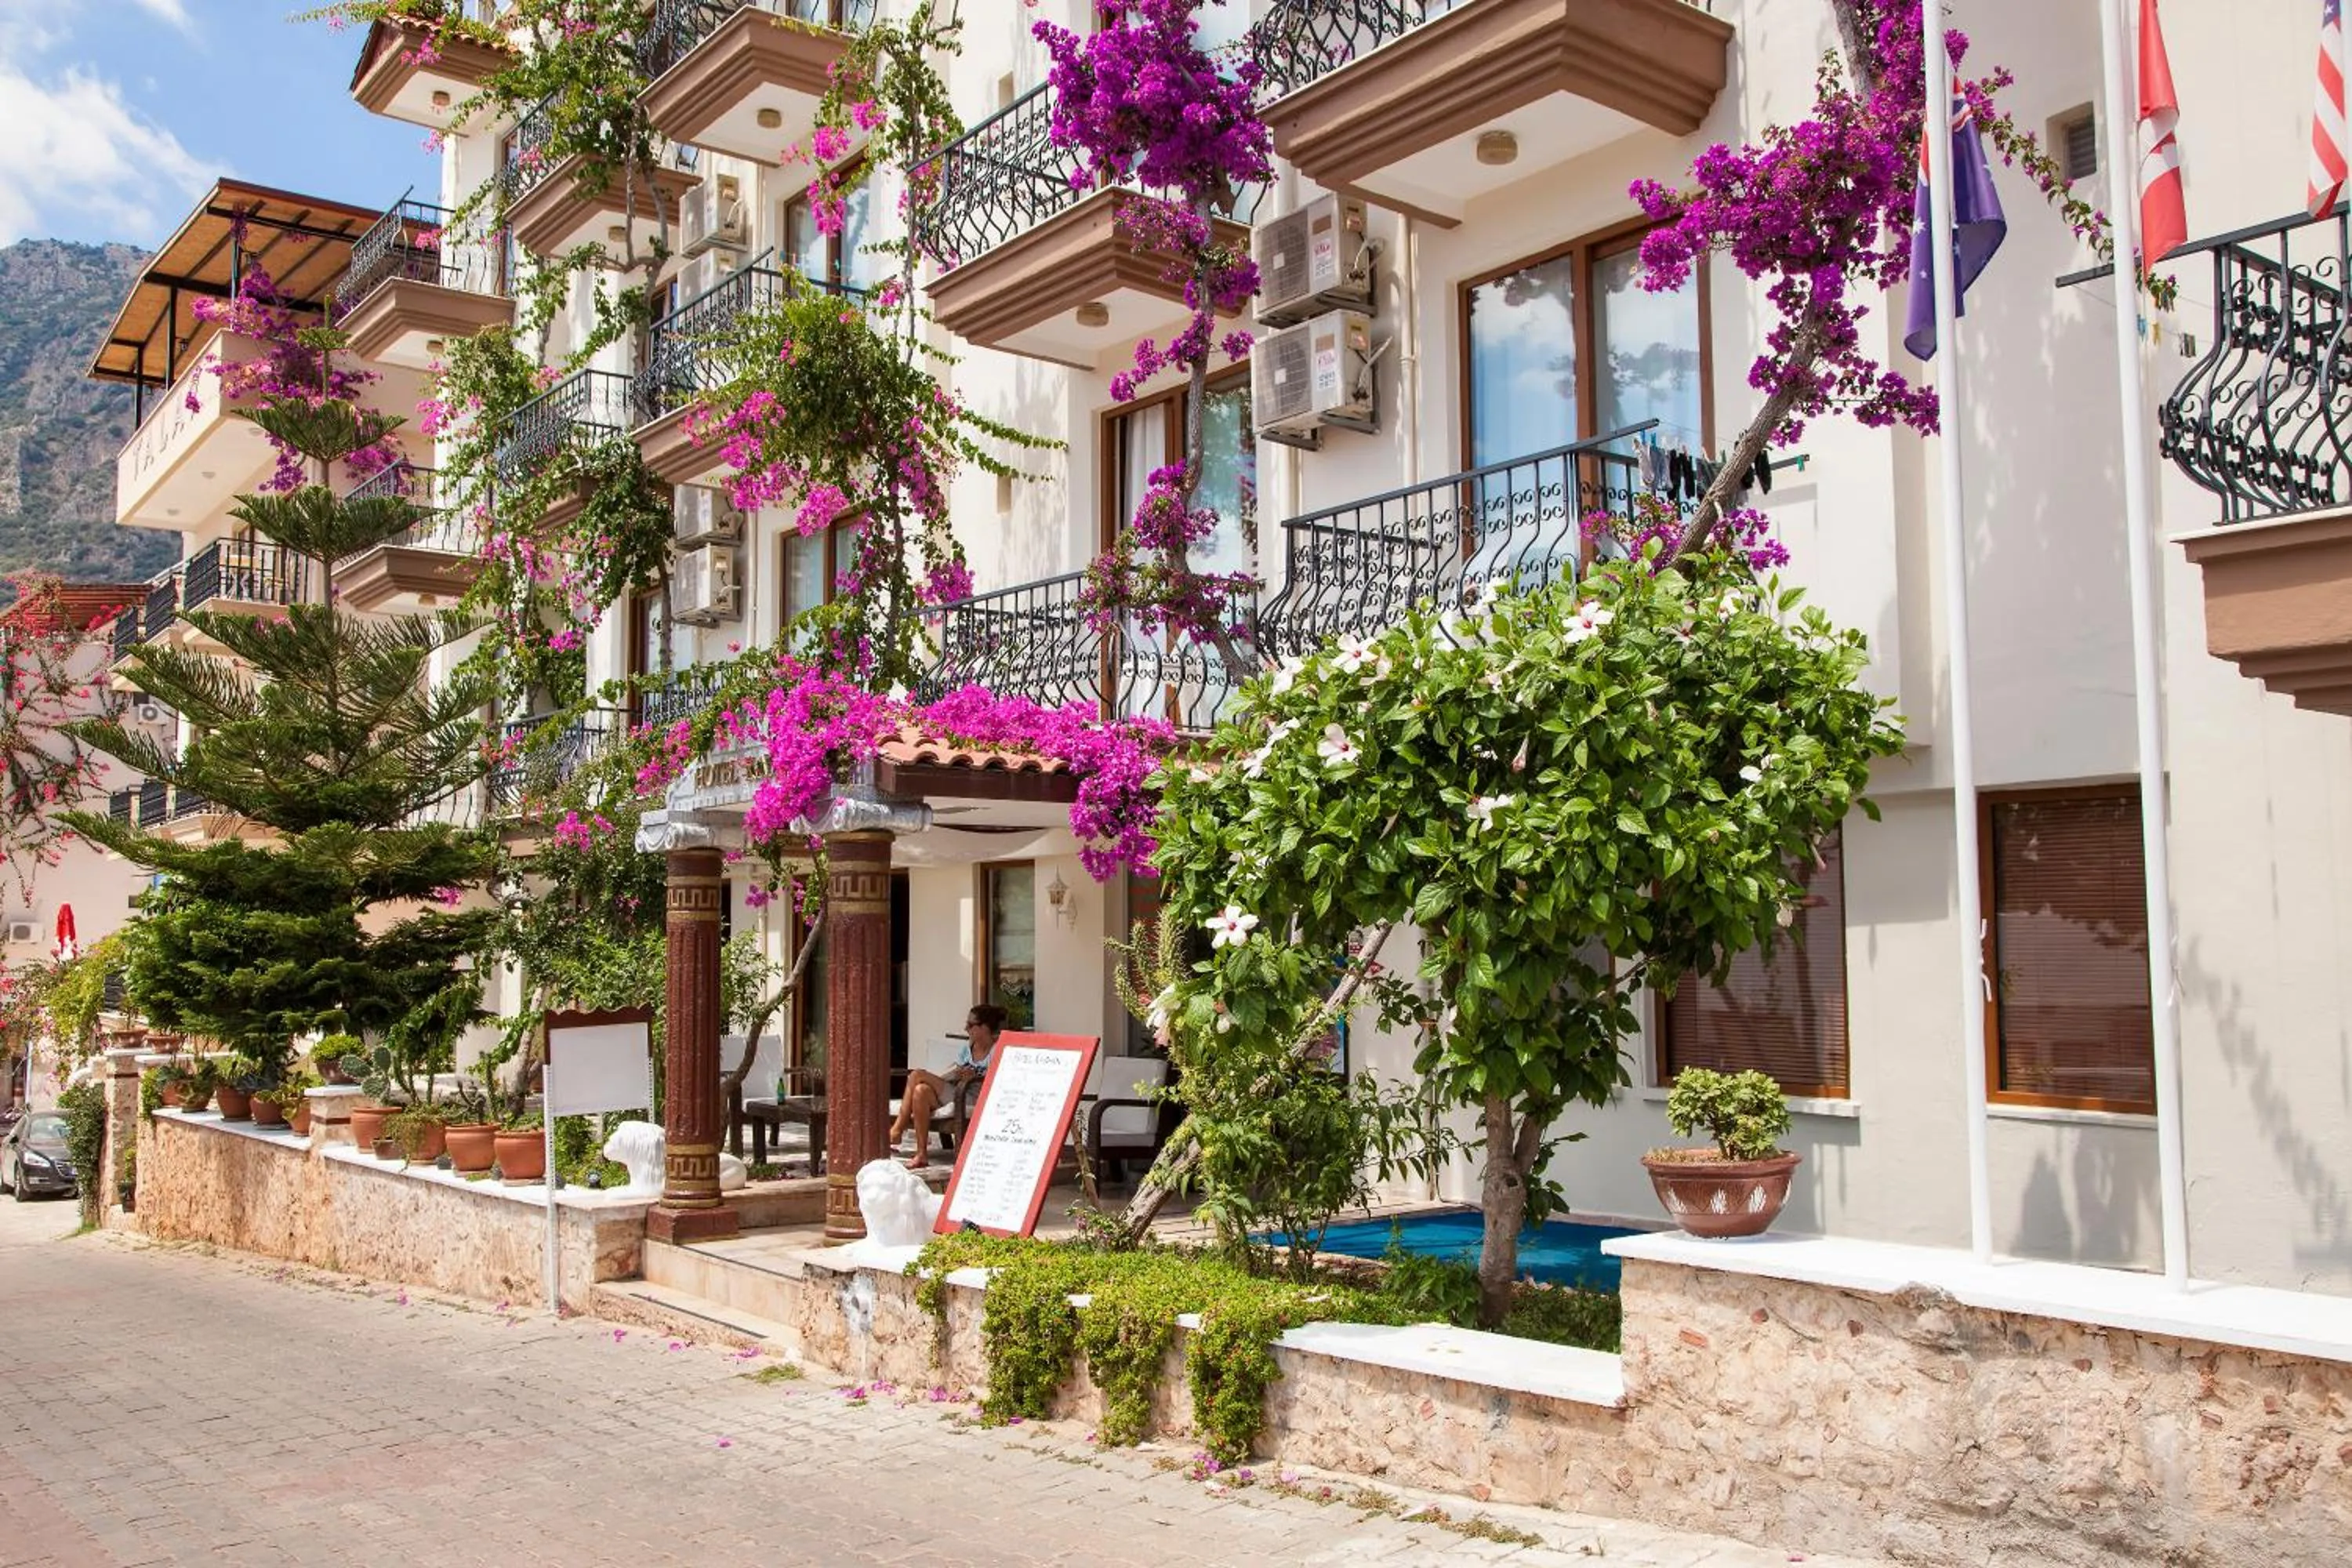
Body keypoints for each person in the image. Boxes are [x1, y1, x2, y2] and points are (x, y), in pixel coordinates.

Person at [891, 1004, 1004, 1169]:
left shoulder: (997, 1050)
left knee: (917, 1075)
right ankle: (921, 1154)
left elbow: (1000, 1080)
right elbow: (954, 1072)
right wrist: (957, 1075)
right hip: (958, 1093)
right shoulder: (968, 1049)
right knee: (921, 1091)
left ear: (985, 1027)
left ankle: (897, 1130)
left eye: (971, 1025)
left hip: (975, 1098)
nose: (966, 1028)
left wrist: (975, 1076)